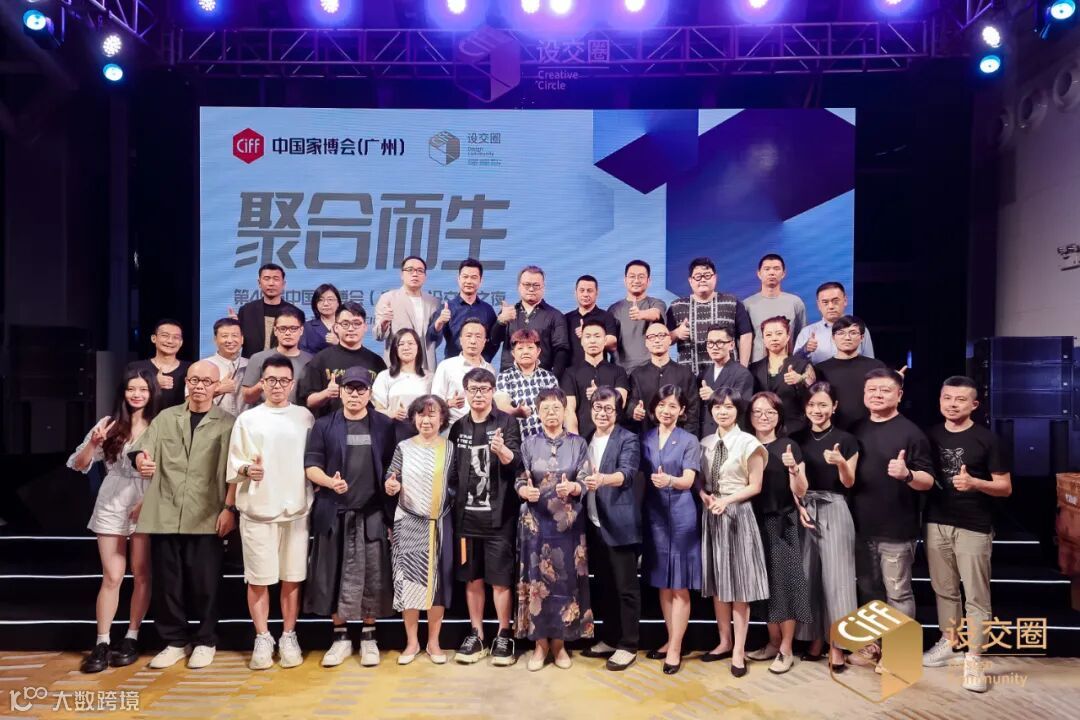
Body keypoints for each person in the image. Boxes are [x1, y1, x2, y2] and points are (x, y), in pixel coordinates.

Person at [130, 360, 237, 670]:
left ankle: (205, 640)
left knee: (206, 583)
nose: (200, 386)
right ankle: (175, 641)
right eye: (194, 380)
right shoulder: (166, 417)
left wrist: (229, 509)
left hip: (207, 513)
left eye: (207, 381)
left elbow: (235, 471)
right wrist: (141, 461)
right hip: (166, 510)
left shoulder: (229, 423)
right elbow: (141, 450)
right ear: (186, 382)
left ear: (217, 386)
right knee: (167, 583)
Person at [921, 376, 1012, 693]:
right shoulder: (929, 435)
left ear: (974, 404)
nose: (952, 404)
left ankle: (974, 659)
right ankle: (949, 643)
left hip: (974, 524)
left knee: (976, 597)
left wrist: (975, 483)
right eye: (947, 397)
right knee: (944, 590)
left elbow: (1005, 487)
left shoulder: (987, 439)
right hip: (935, 522)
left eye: (960, 399)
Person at [67, 369, 160, 673]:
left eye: (143, 389)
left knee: (142, 573)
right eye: (132, 389)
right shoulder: (109, 424)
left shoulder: (160, 424)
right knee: (112, 575)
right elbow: (79, 464)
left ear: (151, 393)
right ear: (123, 392)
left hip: (146, 501)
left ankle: (132, 636)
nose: (137, 394)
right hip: (111, 500)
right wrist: (93, 443)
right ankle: (102, 641)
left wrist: (147, 503)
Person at [303, 368, 395, 668]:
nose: (355, 394)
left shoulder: (384, 425)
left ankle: (369, 638)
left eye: (361, 389)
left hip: (372, 513)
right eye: (349, 389)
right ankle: (340, 637)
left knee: (372, 577)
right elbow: (311, 466)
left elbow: (393, 464)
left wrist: (392, 484)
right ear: (340, 391)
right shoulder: (324, 425)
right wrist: (330, 483)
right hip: (334, 512)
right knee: (333, 575)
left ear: (370, 393)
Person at [227, 355, 315, 670]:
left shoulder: (305, 417)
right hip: (258, 510)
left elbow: (314, 459)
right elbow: (235, 462)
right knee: (259, 578)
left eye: (284, 381)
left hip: (296, 510)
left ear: (292, 384)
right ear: (262, 383)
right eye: (271, 380)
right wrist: (247, 470)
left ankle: (289, 635)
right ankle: (262, 637)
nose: (278, 386)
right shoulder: (247, 419)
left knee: (292, 578)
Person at [849, 368, 934, 671]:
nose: (877, 395)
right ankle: (873, 648)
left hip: (897, 529)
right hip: (860, 527)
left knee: (898, 593)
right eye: (871, 390)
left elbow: (928, 481)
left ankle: (899, 654)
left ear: (899, 394)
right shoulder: (855, 429)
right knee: (869, 592)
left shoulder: (912, 433)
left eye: (885, 390)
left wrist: (907, 474)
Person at [514, 388, 593, 671]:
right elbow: (519, 478)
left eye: (556, 408)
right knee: (536, 583)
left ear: (564, 411)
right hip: (535, 524)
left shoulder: (578, 443)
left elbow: (585, 479)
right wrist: (523, 490)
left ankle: (560, 644)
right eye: (545, 408)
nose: (551, 413)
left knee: (565, 584)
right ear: (537, 412)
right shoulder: (528, 443)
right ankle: (540, 645)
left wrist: (574, 487)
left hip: (567, 525)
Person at [448, 368, 522, 667]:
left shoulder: (507, 422)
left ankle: (504, 633)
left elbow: (517, 463)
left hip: (499, 517)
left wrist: (502, 451)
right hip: (466, 519)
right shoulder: (458, 428)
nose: (478, 395)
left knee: (501, 581)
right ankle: (476, 633)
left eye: (484, 389)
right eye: (473, 389)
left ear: (493, 391)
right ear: (466, 392)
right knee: (472, 578)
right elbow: (452, 472)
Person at [698, 389, 769, 678]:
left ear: (738, 410)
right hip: (712, 514)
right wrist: (704, 495)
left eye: (728, 407)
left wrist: (726, 501)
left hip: (738, 514)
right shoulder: (705, 442)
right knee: (718, 583)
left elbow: (755, 486)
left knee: (739, 585)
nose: (722, 411)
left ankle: (739, 649)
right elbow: (700, 481)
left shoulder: (749, 443)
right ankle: (724, 641)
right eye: (717, 407)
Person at [384, 395, 456, 665]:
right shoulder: (403, 447)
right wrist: (391, 485)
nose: (426, 420)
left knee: (438, 585)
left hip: (440, 524)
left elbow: (456, 485)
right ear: (414, 418)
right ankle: (412, 642)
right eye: (421, 414)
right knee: (409, 584)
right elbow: (391, 476)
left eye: (432, 414)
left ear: (442, 418)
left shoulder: (450, 448)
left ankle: (434, 642)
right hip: (408, 523)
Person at [745, 392, 812, 675]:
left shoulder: (789, 446)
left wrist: (794, 469)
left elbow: (801, 490)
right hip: (751, 524)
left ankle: (786, 648)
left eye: (770, 412)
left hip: (781, 523)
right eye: (758, 411)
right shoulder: (744, 444)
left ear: (779, 416)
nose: (764, 417)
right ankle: (773, 642)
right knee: (763, 588)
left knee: (785, 586)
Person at [794, 382, 859, 673]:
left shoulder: (847, 440)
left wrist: (841, 463)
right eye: (811, 405)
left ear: (834, 407)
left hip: (835, 506)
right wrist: (799, 505)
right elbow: (794, 484)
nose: (816, 410)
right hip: (804, 508)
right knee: (809, 577)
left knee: (838, 580)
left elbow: (849, 482)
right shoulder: (796, 439)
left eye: (823, 404)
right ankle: (815, 638)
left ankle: (837, 645)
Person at [578, 387, 641, 671]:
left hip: (620, 524)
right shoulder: (586, 438)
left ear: (617, 412)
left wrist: (603, 479)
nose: (602, 414)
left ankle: (628, 645)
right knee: (604, 586)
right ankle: (610, 638)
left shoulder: (628, 438)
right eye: (597, 408)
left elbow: (627, 474)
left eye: (608, 409)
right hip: (594, 523)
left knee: (626, 588)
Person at [640, 385, 701, 674]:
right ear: (654, 408)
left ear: (682, 411)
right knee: (663, 582)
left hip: (681, 515)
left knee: (679, 584)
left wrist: (670, 481)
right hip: (654, 516)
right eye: (662, 404)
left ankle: (676, 647)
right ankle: (670, 638)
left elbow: (688, 480)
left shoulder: (689, 440)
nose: (666, 410)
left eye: (673, 406)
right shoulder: (646, 438)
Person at [298, 302, 387, 418]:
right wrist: (326, 393)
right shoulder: (321, 359)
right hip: (330, 425)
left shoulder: (377, 362)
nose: (351, 328)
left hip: (368, 426)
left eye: (356, 323)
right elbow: (309, 401)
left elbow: (384, 403)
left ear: (365, 327)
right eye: (345, 324)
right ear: (336, 327)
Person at [666, 257, 753, 373]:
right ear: (690, 281)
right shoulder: (676, 307)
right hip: (688, 375)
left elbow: (746, 335)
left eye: (707, 275)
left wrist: (742, 370)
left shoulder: (732, 302)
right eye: (698, 276)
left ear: (715, 278)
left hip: (728, 374)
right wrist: (676, 333)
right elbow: (663, 339)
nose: (702, 280)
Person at [490, 265, 570, 378]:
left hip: (542, 378)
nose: (531, 289)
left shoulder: (555, 315)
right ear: (519, 286)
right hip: (510, 378)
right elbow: (494, 340)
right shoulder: (508, 312)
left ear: (543, 287)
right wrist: (501, 322)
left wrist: (553, 379)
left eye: (536, 285)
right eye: (527, 285)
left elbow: (561, 350)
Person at [812, 316, 886, 431]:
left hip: (871, 430)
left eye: (853, 333)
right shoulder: (820, 369)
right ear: (833, 337)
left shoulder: (876, 367)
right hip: (833, 431)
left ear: (862, 337)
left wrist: (894, 383)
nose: (847, 337)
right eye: (841, 333)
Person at [627, 322, 699, 437]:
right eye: (652, 337)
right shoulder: (637, 374)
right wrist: (634, 411)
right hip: (646, 439)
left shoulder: (685, 374)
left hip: (678, 439)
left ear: (670, 340)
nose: (657, 340)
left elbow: (693, 411)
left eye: (661, 335)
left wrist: (687, 440)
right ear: (646, 343)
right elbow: (632, 403)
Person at [561, 320, 629, 438]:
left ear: (605, 340)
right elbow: (569, 411)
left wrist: (600, 394)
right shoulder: (570, 373)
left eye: (597, 336)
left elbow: (620, 404)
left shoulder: (619, 371)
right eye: (588, 336)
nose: (592, 341)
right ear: (582, 341)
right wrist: (576, 441)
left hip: (613, 439)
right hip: (583, 438)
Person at [749, 316, 814, 436]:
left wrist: (800, 381)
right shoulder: (754, 368)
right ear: (763, 339)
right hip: (763, 430)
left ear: (788, 336)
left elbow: (814, 398)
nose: (774, 338)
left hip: (795, 430)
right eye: (768, 335)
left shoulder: (802, 364)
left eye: (779, 333)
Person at [374, 256, 440, 372]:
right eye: (410, 270)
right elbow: (378, 336)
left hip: (426, 365)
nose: (415, 274)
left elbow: (436, 339)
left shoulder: (434, 302)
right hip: (398, 364)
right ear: (401, 274)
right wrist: (384, 323)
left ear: (425, 276)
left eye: (420, 271)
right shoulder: (388, 298)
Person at [426, 258, 499, 361]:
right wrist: (439, 323)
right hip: (453, 365)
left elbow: (494, 341)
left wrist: (484, 360)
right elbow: (431, 338)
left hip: (479, 367)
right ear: (458, 279)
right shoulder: (447, 307)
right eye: (465, 277)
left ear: (480, 281)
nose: (469, 281)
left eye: (474, 277)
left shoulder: (488, 310)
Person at [494, 329, 559, 439]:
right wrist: (516, 412)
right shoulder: (504, 377)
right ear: (513, 353)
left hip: (547, 438)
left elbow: (558, 408)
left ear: (538, 351)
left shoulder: (549, 377)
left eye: (530, 347)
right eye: (520, 348)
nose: (525, 352)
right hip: (516, 438)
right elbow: (501, 406)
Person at [430, 319, 498, 424]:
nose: (473, 341)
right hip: (453, 425)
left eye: (478, 336)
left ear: (484, 341)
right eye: (468, 336)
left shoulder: (490, 369)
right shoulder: (446, 366)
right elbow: (434, 402)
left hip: (484, 426)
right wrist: (449, 403)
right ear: (461, 340)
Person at [241, 307, 312, 407]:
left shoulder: (311, 360)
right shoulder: (258, 358)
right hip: (265, 415)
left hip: (299, 415)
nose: (288, 333)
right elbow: (247, 399)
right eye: (282, 329)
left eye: (293, 328)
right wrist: (262, 385)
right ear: (275, 330)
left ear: (301, 330)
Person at [744, 254, 808, 363]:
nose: (772, 273)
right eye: (767, 269)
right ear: (759, 274)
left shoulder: (795, 302)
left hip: (789, 365)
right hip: (757, 366)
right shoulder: (747, 305)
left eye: (776, 269)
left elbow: (801, 337)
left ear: (783, 273)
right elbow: (744, 340)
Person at [233, 263, 305, 358]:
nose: (271, 283)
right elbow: (239, 342)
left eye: (276, 279)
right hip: (250, 364)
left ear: (283, 284)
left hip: (284, 364)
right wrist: (233, 328)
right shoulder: (246, 311)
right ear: (259, 283)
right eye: (266, 279)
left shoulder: (295, 313)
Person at [793, 282, 875, 364]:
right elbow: (794, 363)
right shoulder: (807, 332)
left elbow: (870, 363)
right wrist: (805, 350)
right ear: (818, 305)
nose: (831, 306)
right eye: (825, 302)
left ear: (845, 301)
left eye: (835, 301)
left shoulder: (859, 330)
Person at [607, 259, 667, 373]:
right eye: (632, 276)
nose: (636, 280)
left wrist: (641, 314)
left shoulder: (656, 303)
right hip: (621, 371)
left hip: (650, 370)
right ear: (625, 280)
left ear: (648, 281)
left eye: (641, 277)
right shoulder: (614, 309)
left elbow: (656, 313)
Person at [697, 326, 754, 437]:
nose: (714, 347)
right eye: (710, 343)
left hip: (731, 435)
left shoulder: (742, 374)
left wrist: (714, 395)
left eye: (719, 343)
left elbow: (741, 406)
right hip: (706, 435)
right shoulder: (704, 374)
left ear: (731, 345)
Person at [371, 329, 433, 423]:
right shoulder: (384, 376)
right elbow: (377, 411)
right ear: (395, 349)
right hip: (393, 428)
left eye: (410, 343)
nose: (406, 347)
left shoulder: (430, 377)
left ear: (418, 347)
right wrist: (391, 413)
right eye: (401, 344)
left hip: (423, 428)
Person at [127, 319, 190, 409]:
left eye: (176, 337)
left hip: (179, 418)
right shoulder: (136, 368)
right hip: (146, 417)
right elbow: (125, 399)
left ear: (181, 342)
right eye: (165, 335)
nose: (170, 341)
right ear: (154, 338)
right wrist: (154, 383)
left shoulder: (190, 369)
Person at [565, 274, 618, 367]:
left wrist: (589, 335)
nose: (585, 294)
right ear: (575, 293)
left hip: (599, 370)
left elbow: (612, 343)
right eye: (582, 290)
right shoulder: (566, 318)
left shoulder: (606, 316)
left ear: (597, 293)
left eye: (589, 291)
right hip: (571, 371)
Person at [202, 317, 248, 417]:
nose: (230, 340)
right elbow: (190, 401)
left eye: (235, 335)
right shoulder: (203, 366)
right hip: (214, 422)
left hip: (245, 423)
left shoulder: (251, 365)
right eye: (224, 336)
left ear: (242, 339)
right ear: (215, 340)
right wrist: (218, 390)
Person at [299, 283, 342, 356]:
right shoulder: (307, 327)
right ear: (315, 304)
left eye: (330, 299)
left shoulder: (346, 326)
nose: (326, 304)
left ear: (338, 303)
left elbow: (354, 351)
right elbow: (302, 352)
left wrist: (338, 344)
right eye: (321, 300)